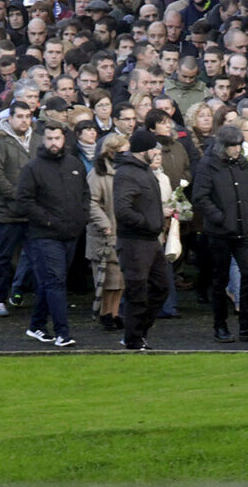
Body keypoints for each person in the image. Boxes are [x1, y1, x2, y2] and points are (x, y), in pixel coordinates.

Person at [16, 121, 89, 348]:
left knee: (51, 282)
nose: (53, 143)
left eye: (57, 138)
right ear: (43, 139)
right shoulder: (32, 168)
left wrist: (82, 216)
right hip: (44, 234)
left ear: (64, 138)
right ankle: (62, 333)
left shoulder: (75, 164)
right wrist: (47, 220)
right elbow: (23, 201)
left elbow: (85, 193)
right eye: (49, 139)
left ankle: (37, 325)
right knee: (56, 281)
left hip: (71, 232)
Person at [193, 124, 248, 343]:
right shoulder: (208, 164)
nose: (237, 149)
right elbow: (200, 197)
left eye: (238, 145)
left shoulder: (241, 163)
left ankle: (247, 325)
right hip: (219, 232)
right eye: (233, 146)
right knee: (220, 280)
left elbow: (245, 191)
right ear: (223, 146)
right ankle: (220, 326)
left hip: (241, 229)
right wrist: (219, 217)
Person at [114, 129, 173, 350]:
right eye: (154, 148)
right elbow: (122, 209)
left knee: (161, 287)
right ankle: (133, 339)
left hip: (150, 240)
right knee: (137, 291)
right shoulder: (127, 173)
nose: (157, 152)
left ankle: (139, 333)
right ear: (144, 150)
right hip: (135, 242)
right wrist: (148, 223)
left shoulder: (144, 171)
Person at [0, 101, 42, 315]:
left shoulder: (37, 140)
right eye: (20, 116)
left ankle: (39, 298)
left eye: (28, 116)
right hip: (6, 211)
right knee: (2, 257)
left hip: (33, 211)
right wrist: (19, 197)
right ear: (10, 118)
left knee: (38, 256)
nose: (25, 120)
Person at [88, 134, 128, 330]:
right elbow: (91, 202)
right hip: (105, 233)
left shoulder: (124, 171)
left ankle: (114, 312)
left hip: (122, 232)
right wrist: (105, 223)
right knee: (108, 279)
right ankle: (106, 312)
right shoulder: (98, 174)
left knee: (120, 280)